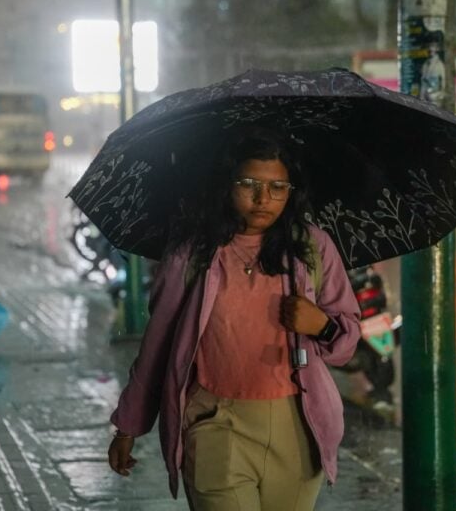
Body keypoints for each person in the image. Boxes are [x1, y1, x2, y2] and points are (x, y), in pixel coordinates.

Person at [106, 127, 361, 511]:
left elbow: (347, 343)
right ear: (226, 185)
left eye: (278, 187)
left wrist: (320, 325)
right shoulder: (192, 252)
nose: (264, 199)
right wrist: (129, 424)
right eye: (249, 184)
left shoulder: (311, 246)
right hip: (215, 422)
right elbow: (158, 343)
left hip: (297, 426)